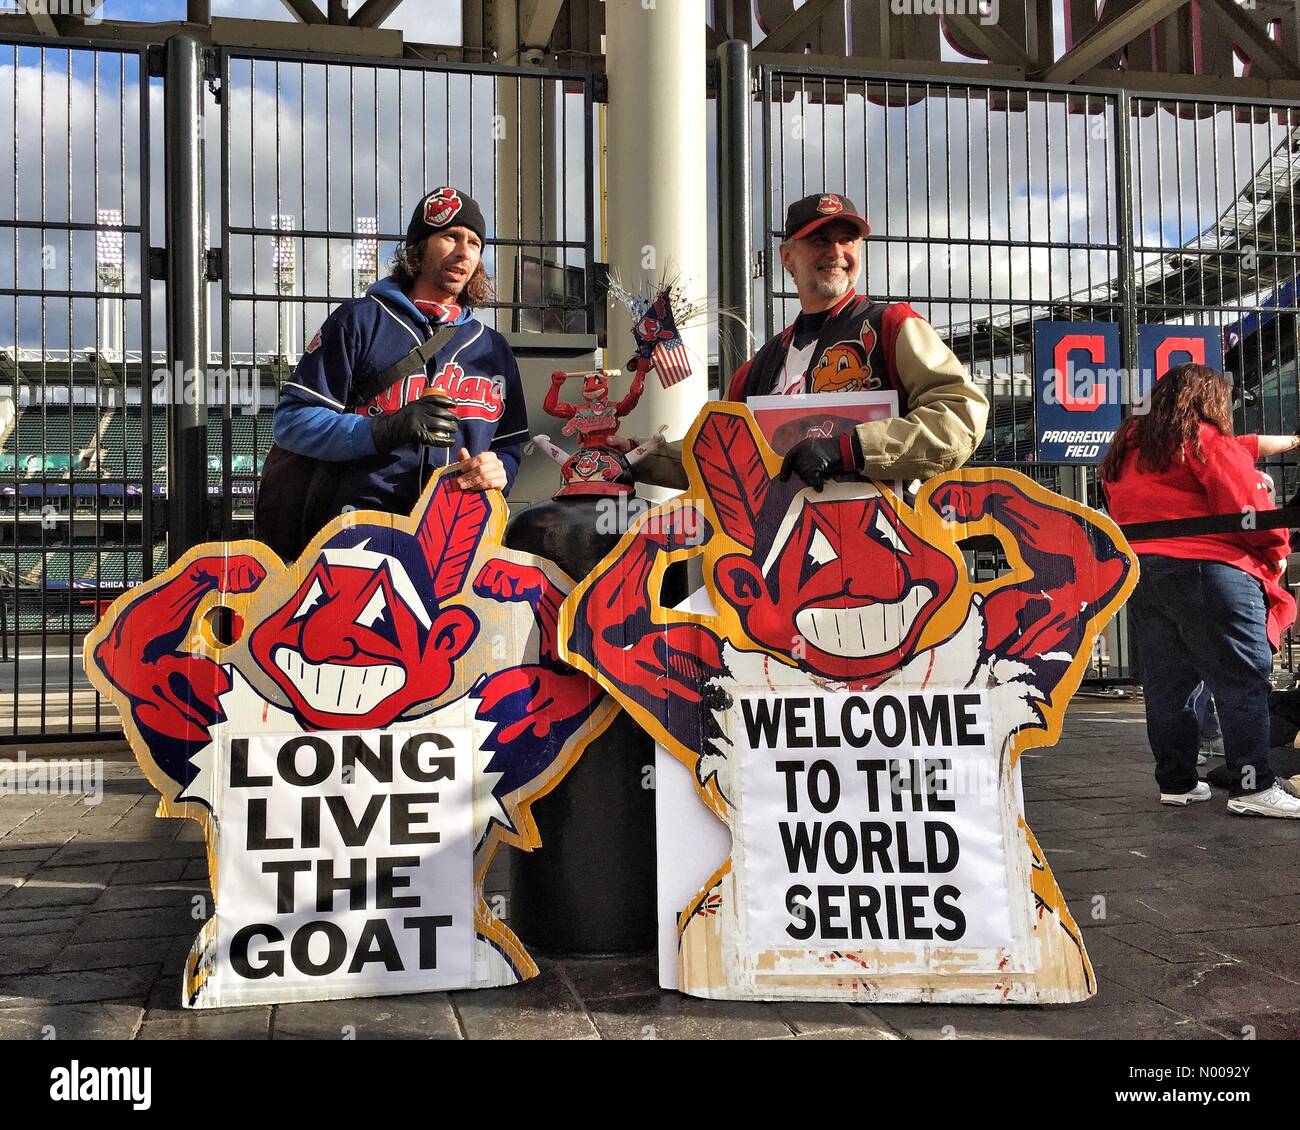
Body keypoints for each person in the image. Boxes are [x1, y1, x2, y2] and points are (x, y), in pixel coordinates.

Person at [619, 192, 989, 491]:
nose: (836, 252)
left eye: (848, 240)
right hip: (776, 561)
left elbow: (961, 416)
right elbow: (722, 458)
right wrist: (638, 458)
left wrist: (849, 448)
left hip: (882, 556)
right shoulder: (754, 371)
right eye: (819, 240)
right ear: (787, 258)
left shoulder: (893, 327)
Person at [257, 187, 528, 560]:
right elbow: (292, 422)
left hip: (456, 541)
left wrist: (499, 471)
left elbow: (509, 447)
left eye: (474, 243)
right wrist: (381, 430)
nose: (463, 252)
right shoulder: (361, 320)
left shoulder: (493, 349)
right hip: (358, 533)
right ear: (417, 247)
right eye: (450, 236)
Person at [1100, 363, 1300, 818]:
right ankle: (1254, 786)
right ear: (1208, 401)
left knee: (1169, 686)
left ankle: (1178, 782)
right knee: (1241, 680)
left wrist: (1291, 441)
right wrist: (1277, 551)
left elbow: (1239, 449)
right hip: (1212, 571)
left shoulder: (1127, 452)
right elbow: (1245, 502)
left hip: (1144, 573)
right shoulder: (1203, 439)